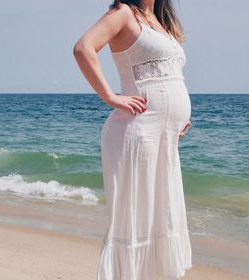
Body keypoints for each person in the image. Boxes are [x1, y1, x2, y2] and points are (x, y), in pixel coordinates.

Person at [73, 0, 192, 279]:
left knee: (158, 215)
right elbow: (83, 48)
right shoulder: (124, 14)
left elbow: (169, 77)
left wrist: (175, 118)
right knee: (134, 220)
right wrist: (111, 97)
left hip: (163, 137)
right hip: (136, 131)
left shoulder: (161, 21)